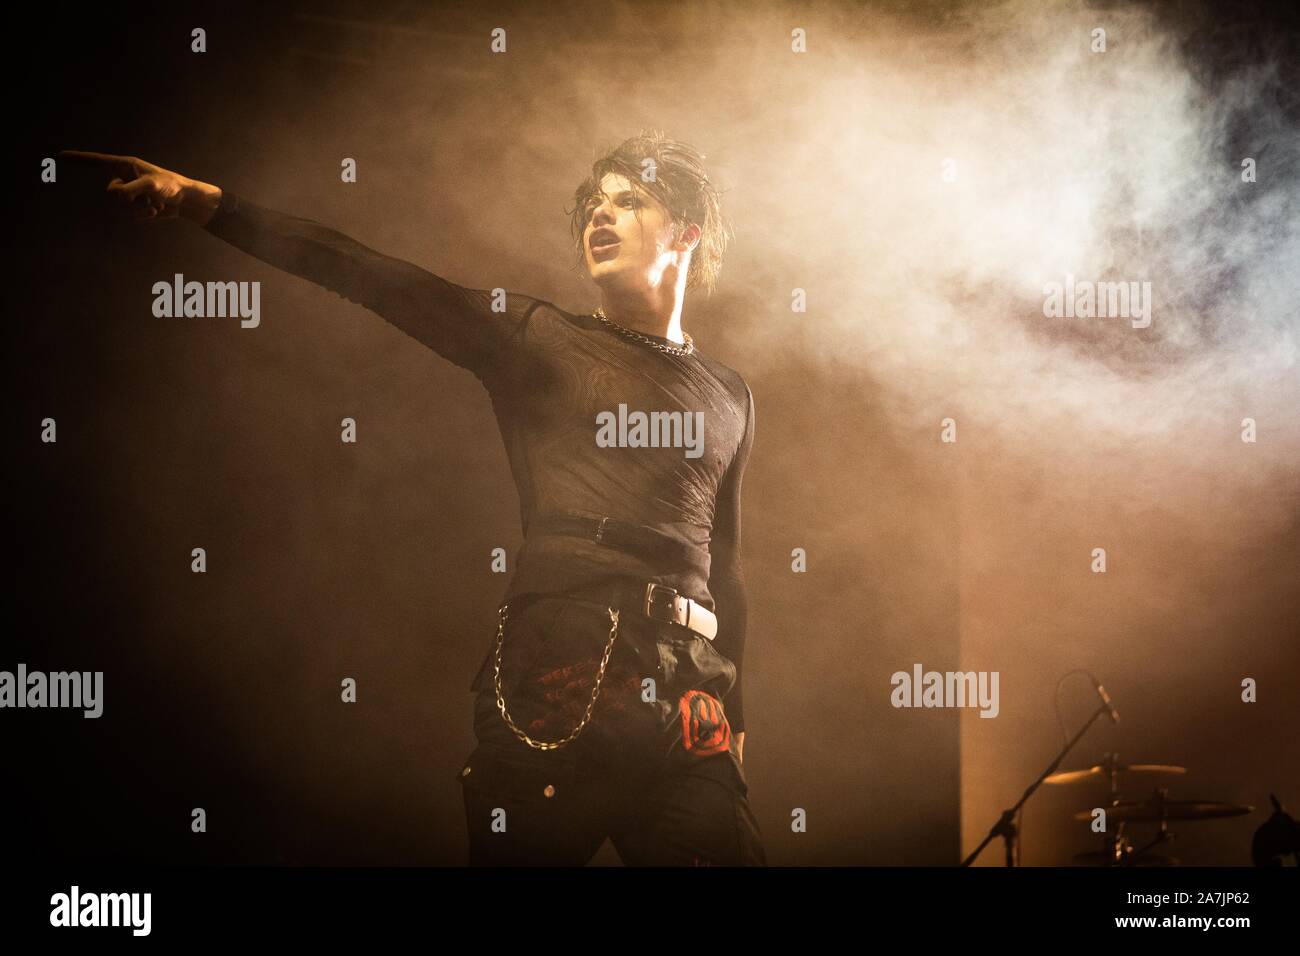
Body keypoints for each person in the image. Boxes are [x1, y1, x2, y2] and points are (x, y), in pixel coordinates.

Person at [59, 130, 766, 865]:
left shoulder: (731, 393)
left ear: (684, 232)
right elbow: (373, 275)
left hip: (690, 692)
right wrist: (208, 204)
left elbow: (726, 563)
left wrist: (736, 717)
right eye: (594, 201)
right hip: (561, 664)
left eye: (629, 201)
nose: (599, 214)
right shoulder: (536, 336)